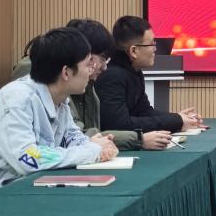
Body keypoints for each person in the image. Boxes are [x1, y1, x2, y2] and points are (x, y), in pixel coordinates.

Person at [0, 27, 118, 210]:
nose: (91, 71)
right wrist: (91, 151)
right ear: (66, 72)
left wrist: (98, 146)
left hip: (15, 195)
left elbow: (71, 136)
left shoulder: (60, 99)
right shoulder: (17, 101)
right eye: (87, 65)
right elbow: (30, 160)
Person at [12, 19, 172, 151]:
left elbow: (79, 136)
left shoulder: (81, 85)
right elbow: (39, 151)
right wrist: (138, 140)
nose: (104, 67)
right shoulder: (35, 76)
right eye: (101, 59)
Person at [97, 16, 204, 134]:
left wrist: (179, 118)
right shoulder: (112, 76)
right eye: (151, 44)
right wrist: (176, 121)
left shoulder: (134, 71)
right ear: (133, 51)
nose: (155, 49)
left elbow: (145, 112)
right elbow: (120, 125)